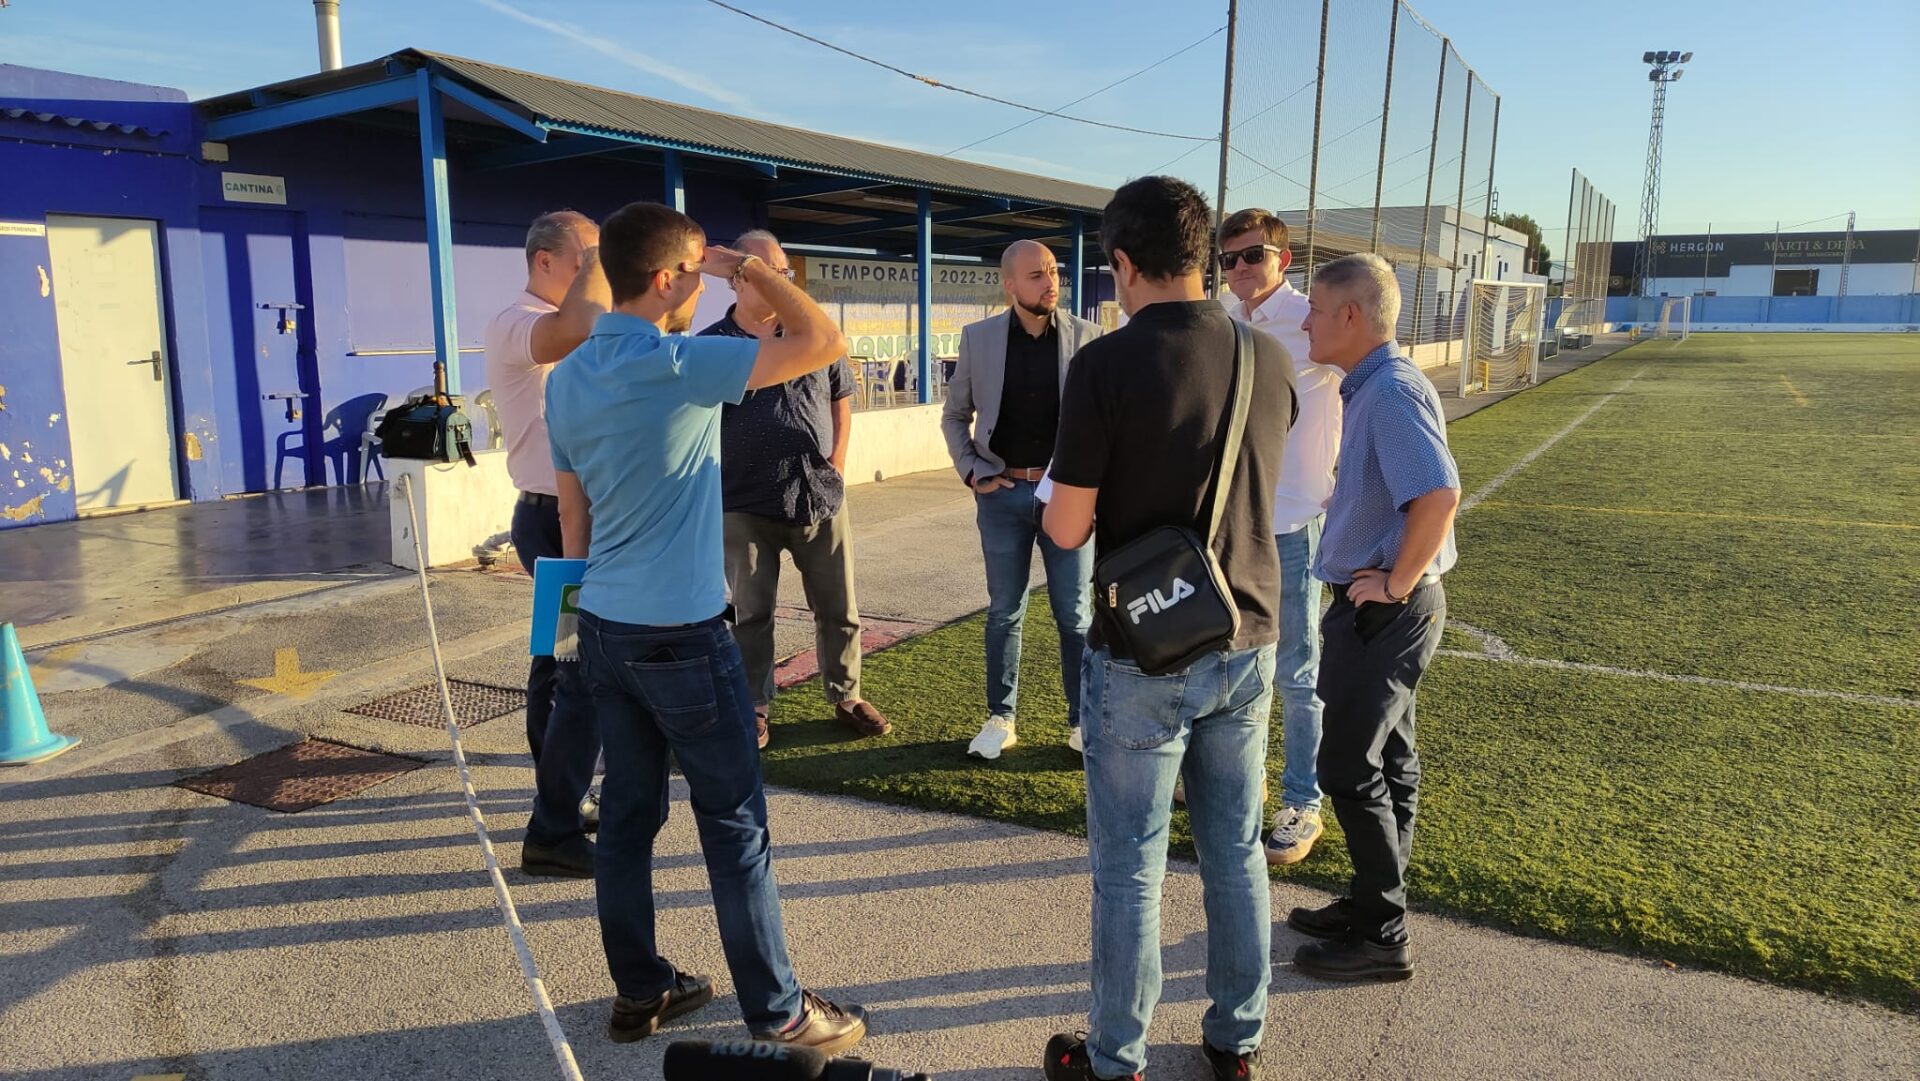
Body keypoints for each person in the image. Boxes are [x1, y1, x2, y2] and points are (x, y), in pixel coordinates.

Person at [544, 201, 867, 1051]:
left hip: (606, 625)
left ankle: (640, 989)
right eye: (694, 271)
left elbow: (574, 518)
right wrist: (751, 268)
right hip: (682, 631)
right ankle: (780, 1009)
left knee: (627, 817)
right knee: (733, 822)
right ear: (666, 280)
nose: (704, 283)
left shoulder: (568, 377)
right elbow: (823, 340)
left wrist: (576, 622)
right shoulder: (679, 361)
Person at [1040, 176, 1297, 1081]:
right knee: (1235, 850)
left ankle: (1117, 1055)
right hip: (1247, 632)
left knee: (1130, 868)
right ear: (1201, 253)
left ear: (1122, 262)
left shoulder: (1104, 365)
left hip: (1144, 651)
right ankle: (1237, 1037)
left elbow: (1066, 527)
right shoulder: (1270, 356)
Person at [1285, 252, 1459, 984]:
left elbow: (1438, 494)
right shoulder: (1374, 384)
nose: (1306, 322)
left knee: (1348, 765)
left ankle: (1383, 933)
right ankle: (1370, 905)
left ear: (1350, 316)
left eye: (1316, 310)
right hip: (1384, 607)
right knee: (1388, 761)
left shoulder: (1388, 390)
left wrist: (1395, 580)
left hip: (1385, 611)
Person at [699, 229, 890, 747]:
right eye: (763, 271)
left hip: (818, 495)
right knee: (750, 613)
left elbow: (840, 402)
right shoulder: (712, 346)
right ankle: (754, 705)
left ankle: (846, 694)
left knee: (838, 606)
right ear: (737, 279)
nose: (778, 280)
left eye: (783, 272)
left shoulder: (813, 335)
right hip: (741, 501)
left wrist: (837, 464)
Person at [483, 209, 610, 879]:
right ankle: (556, 818)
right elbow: (578, 326)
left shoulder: (572, 320)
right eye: (588, 255)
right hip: (556, 520)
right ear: (545, 261)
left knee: (557, 662)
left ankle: (561, 794)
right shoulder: (519, 321)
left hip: (578, 515)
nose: (598, 267)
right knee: (575, 666)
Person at [941, 239, 1104, 760]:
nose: (1050, 282)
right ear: (1009, 284)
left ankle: (1081, 721)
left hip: (1067, 497)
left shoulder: (1089, 338)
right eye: (1036, 275)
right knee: (1004, 612)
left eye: (1053, 271)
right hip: (1002, 492)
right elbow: (955, 415)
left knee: (1074, 616)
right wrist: (972, 471)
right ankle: (1001, 718)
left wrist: (1095, 488)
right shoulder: (979, 338)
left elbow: (1108, 422)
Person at [1219, 208, 1343, 866]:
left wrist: (1343, 483)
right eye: (1229, 258)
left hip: (1294, 522)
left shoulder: (1309, 320)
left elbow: (1364, 391)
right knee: (1237, 663)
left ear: (1282, 259)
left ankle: (1303, 801)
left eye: (1253, 255)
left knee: (1297, 673)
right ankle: (1247, 777)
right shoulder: (1221, 318)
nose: (1240, 267)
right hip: (1231, 524)